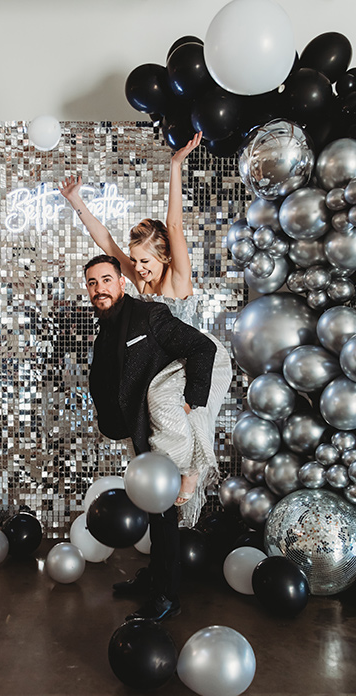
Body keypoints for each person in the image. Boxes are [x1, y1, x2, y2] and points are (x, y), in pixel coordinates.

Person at [60, 132, 232, 523]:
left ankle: (190, 475)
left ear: (164, 257)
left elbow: (173, 223)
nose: (137, 268)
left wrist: (175, 166)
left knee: (188, 415)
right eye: (133, 261)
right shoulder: (139, 283)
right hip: (164, 370)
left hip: (195, 360)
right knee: (159, 425)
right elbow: (104, 240)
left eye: (144, 261)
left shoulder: (177, 279)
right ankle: (168, 494)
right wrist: (76, 203)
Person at [84, 254, 217, 621]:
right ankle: (155, 579)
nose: (100, 289)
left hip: (167, 432)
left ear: (121, 283)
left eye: (106, 280)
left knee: (163, 514)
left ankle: (167, 597)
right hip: (140, 431)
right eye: (93, 283)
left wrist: (194, 399)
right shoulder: (105, 329)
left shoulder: (148, 316)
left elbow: (201, 347)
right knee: (154, 510)